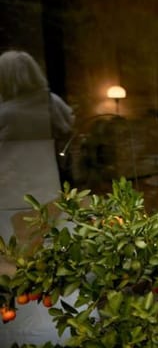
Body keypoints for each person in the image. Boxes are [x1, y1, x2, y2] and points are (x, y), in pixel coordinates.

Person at [0, 49, 75, 345]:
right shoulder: (51, 103)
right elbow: (69, 130)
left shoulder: (5, 113)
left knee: (14, 256)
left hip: (11, 193)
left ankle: (19, 321)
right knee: (48, 250)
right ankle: (53, 316)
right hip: (46, 190)